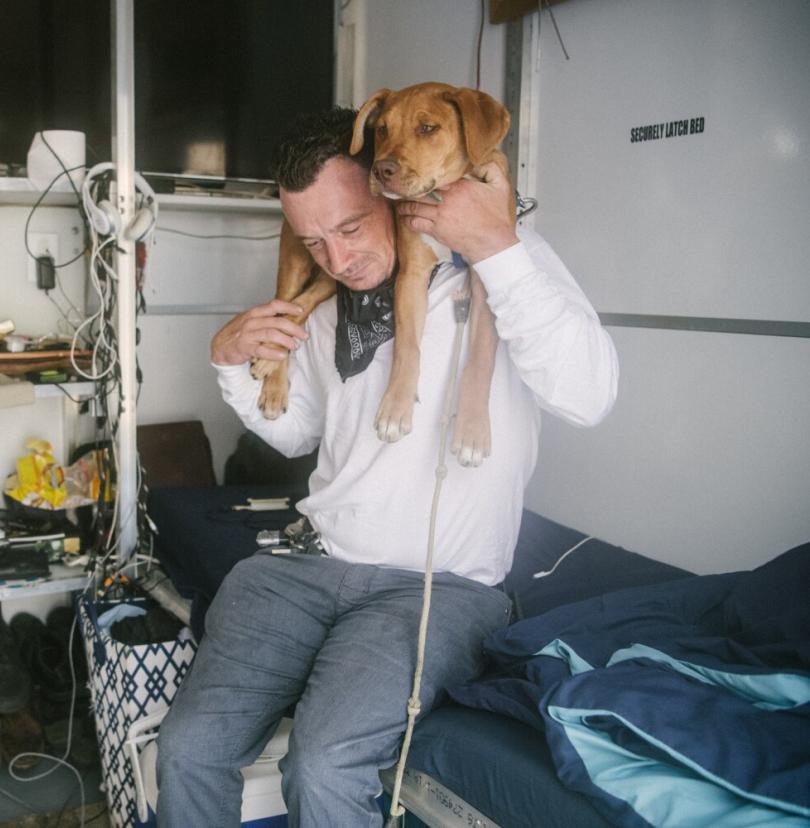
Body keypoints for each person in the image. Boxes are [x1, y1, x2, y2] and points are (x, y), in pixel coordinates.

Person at [154, 107, 618, 827]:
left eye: (350, 228)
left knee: (324, 763)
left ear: (395, 188)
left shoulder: (507, 258)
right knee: (186, 749)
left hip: (437, 588)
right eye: (314, 240)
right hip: (303, 569)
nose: (339, 260)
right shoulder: (331, 300)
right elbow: (298, 433)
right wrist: (231, 366)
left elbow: (590, 396)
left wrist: (495, 247)